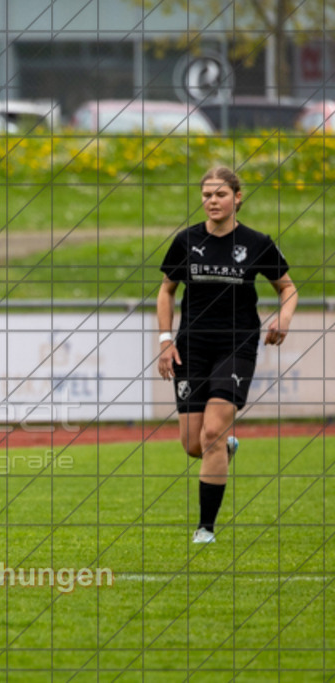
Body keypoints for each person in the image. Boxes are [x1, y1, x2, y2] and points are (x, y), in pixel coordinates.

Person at [156, 166, 298, 544]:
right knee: (194, 445)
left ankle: (205, 528)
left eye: (220, 194)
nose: (212, 201)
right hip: (191, 347)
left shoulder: (257, 243)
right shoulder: (186, 241)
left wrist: (283, 318)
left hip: (236, 345)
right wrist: (165, 340)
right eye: (206, 195)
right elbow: (166, 291)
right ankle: (225, 448)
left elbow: (288, 288)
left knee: (214, 431)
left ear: (237, 198)